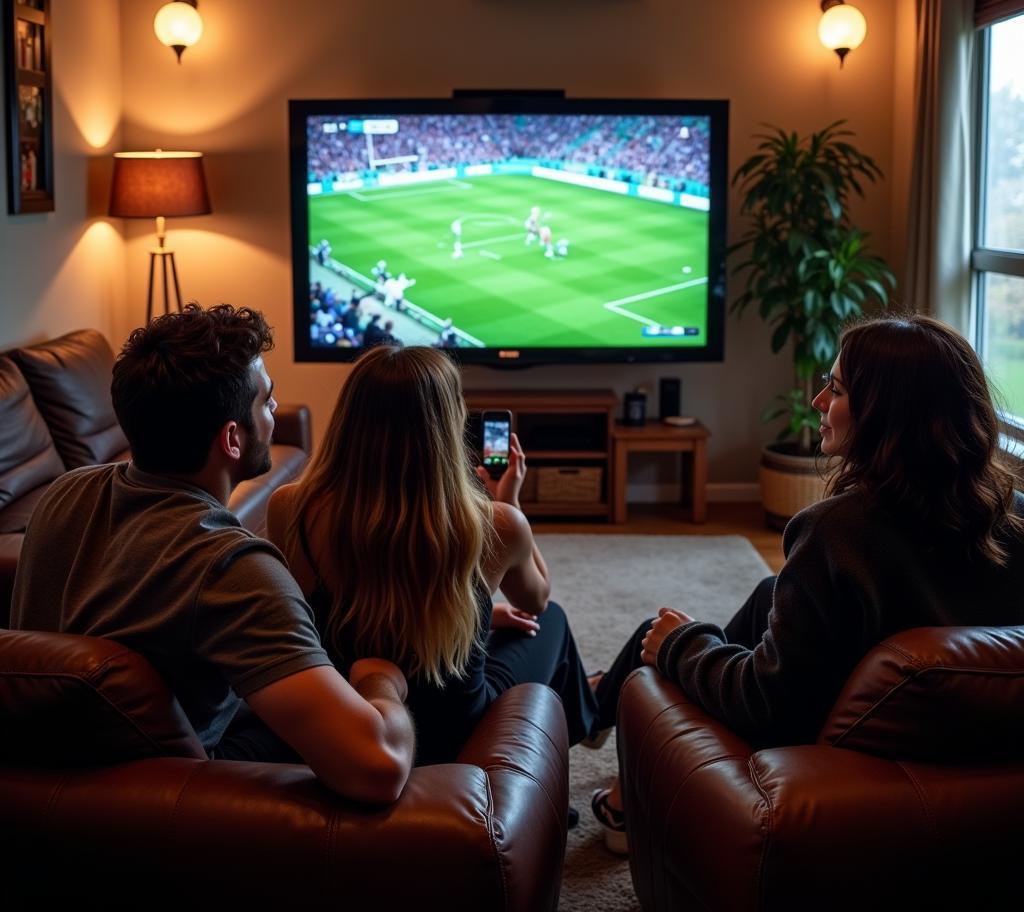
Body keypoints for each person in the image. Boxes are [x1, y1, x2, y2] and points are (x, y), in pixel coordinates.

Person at [590, 313, 1024, 853]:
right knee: (769, 595)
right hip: (953, 747)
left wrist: (681, 646)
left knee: (655, 643)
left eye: (835, 389)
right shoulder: (1011, 519)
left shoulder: (837, 534)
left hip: (832, 754)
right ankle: (600, 702)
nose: (818, 402)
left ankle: (615, 766)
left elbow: (765, 704)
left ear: (887, 414)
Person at [10, 303, 415, 805]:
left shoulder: (65, 493)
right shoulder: (231, 567)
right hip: (176, 803)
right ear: (230, 438)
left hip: (58, 778)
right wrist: (381, 681)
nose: (273, 414)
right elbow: (379, 768)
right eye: (267, 402)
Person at [266, 345, 600, 768]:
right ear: (448, 421)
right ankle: (580, 729)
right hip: (454, 733)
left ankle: (586, 717)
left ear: (349, 418)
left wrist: (481, 615)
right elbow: (536, 598)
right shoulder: (496, 523)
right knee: (551, 621)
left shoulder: (288, 507)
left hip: (347, 717)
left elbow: (318, 615)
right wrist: (511, 503)